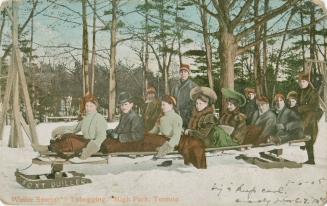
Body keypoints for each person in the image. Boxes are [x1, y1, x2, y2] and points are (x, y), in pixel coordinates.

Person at [32, 94, 108, 159]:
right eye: (87, 106)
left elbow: (101, 136)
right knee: (67, 136)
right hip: (85, 141)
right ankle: (48, 147)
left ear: (96, 106)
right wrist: (60, 131)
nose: (88, 108)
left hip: (93, 145)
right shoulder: (86, 119)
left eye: (91, 106)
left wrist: (89, 150)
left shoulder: (99, 118)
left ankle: (47, 149)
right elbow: (74, 129)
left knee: (70, 140)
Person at [297, 72, 320, 164]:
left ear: (307, 82)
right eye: (300, 81)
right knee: (307, 138)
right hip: (302, 116)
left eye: (303, 81)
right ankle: (311, 159)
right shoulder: (300, 91)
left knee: (309, 137)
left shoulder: (313, 92)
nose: (301, 83)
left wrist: (300, 108)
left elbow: (314, 106)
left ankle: (311, 159)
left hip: (310, 118)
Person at [171, 64, 198, 128]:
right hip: (176, 114)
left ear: (188, 73)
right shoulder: (175, 86)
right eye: (181, 72)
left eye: (185, 72)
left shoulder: (193, 86)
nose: (183, 74)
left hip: (188, 116)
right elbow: (172, 100)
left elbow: (196, 102)